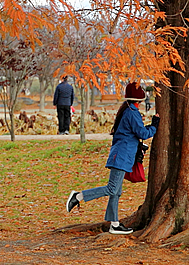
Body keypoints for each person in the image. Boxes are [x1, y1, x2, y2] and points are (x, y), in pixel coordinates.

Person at [66, 82, 159, 235]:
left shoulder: (128, 110)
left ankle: (114, 224)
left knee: (116, 191)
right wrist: (154, 126)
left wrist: (150, 126)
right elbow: (142, 134)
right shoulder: (131, 112)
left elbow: (137, 131)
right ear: (139, 100)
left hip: (122, 155)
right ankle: (78, 196)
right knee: (112, 189)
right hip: (122, 155)